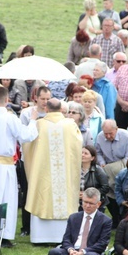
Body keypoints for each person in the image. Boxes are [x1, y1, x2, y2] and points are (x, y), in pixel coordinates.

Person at [0, 87, 38, 246]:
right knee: (6, 199)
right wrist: (33, 120)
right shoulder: (9, 118)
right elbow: (26, 136)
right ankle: (4, 236)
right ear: (7, 100)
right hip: (4, 165)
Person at [23, 98, 82, 243]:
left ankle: (40, 238)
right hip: (65, 174)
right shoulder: (70, 125)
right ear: (61, 109)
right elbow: (78, 145)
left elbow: (27, 144)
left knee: (43, 192)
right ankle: (62, 237)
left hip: (43, 173)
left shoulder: (39, 125)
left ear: (47, 109)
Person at [80, 145, 109, 211]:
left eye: (85, 153)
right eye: (81, 153)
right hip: (79, 203)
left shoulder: (98, 170)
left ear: (92, 158)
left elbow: (105, 188)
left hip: (94, 204)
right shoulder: (75, 170)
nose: (82, 155)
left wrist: (87, 194)